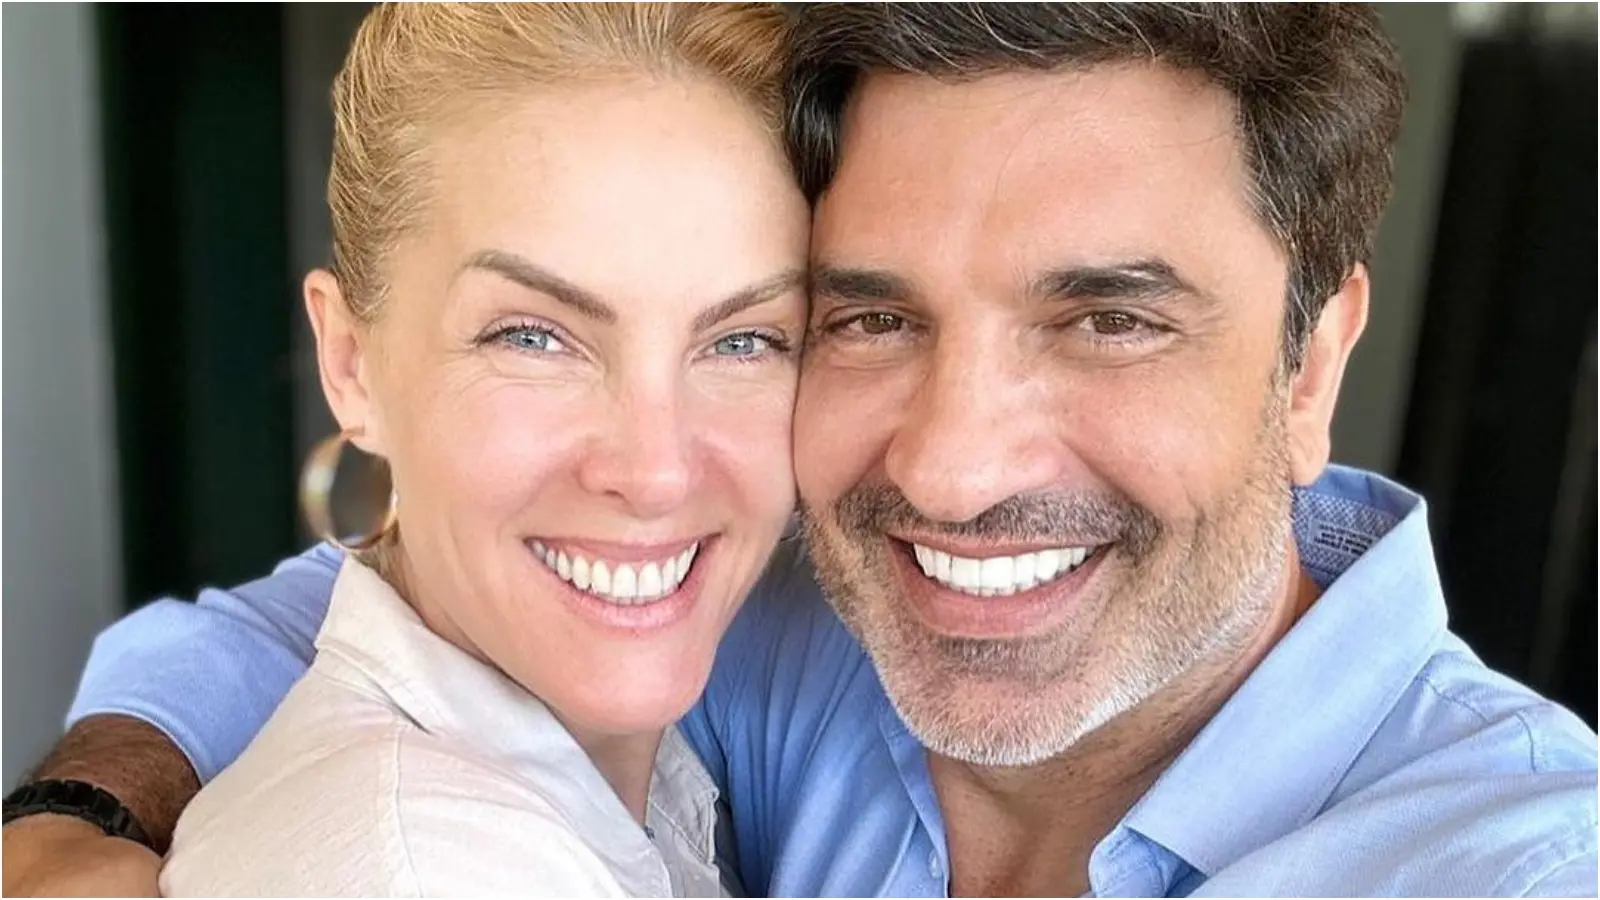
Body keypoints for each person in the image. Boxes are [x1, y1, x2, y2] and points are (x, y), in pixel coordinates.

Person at [6, 4, 1596, 898]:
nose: (954, 473)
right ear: (350, 358)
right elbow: (395, 606)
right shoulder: (801, 632)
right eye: (867, 319)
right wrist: (89, 812)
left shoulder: (1516, 864)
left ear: (1312, 359)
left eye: (1109, 319)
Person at [15, 3, 808, 896]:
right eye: (531, 338)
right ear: (350, 365)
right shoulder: (433, 867)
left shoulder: (623, 780)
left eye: (745, 340)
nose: (656, 471)